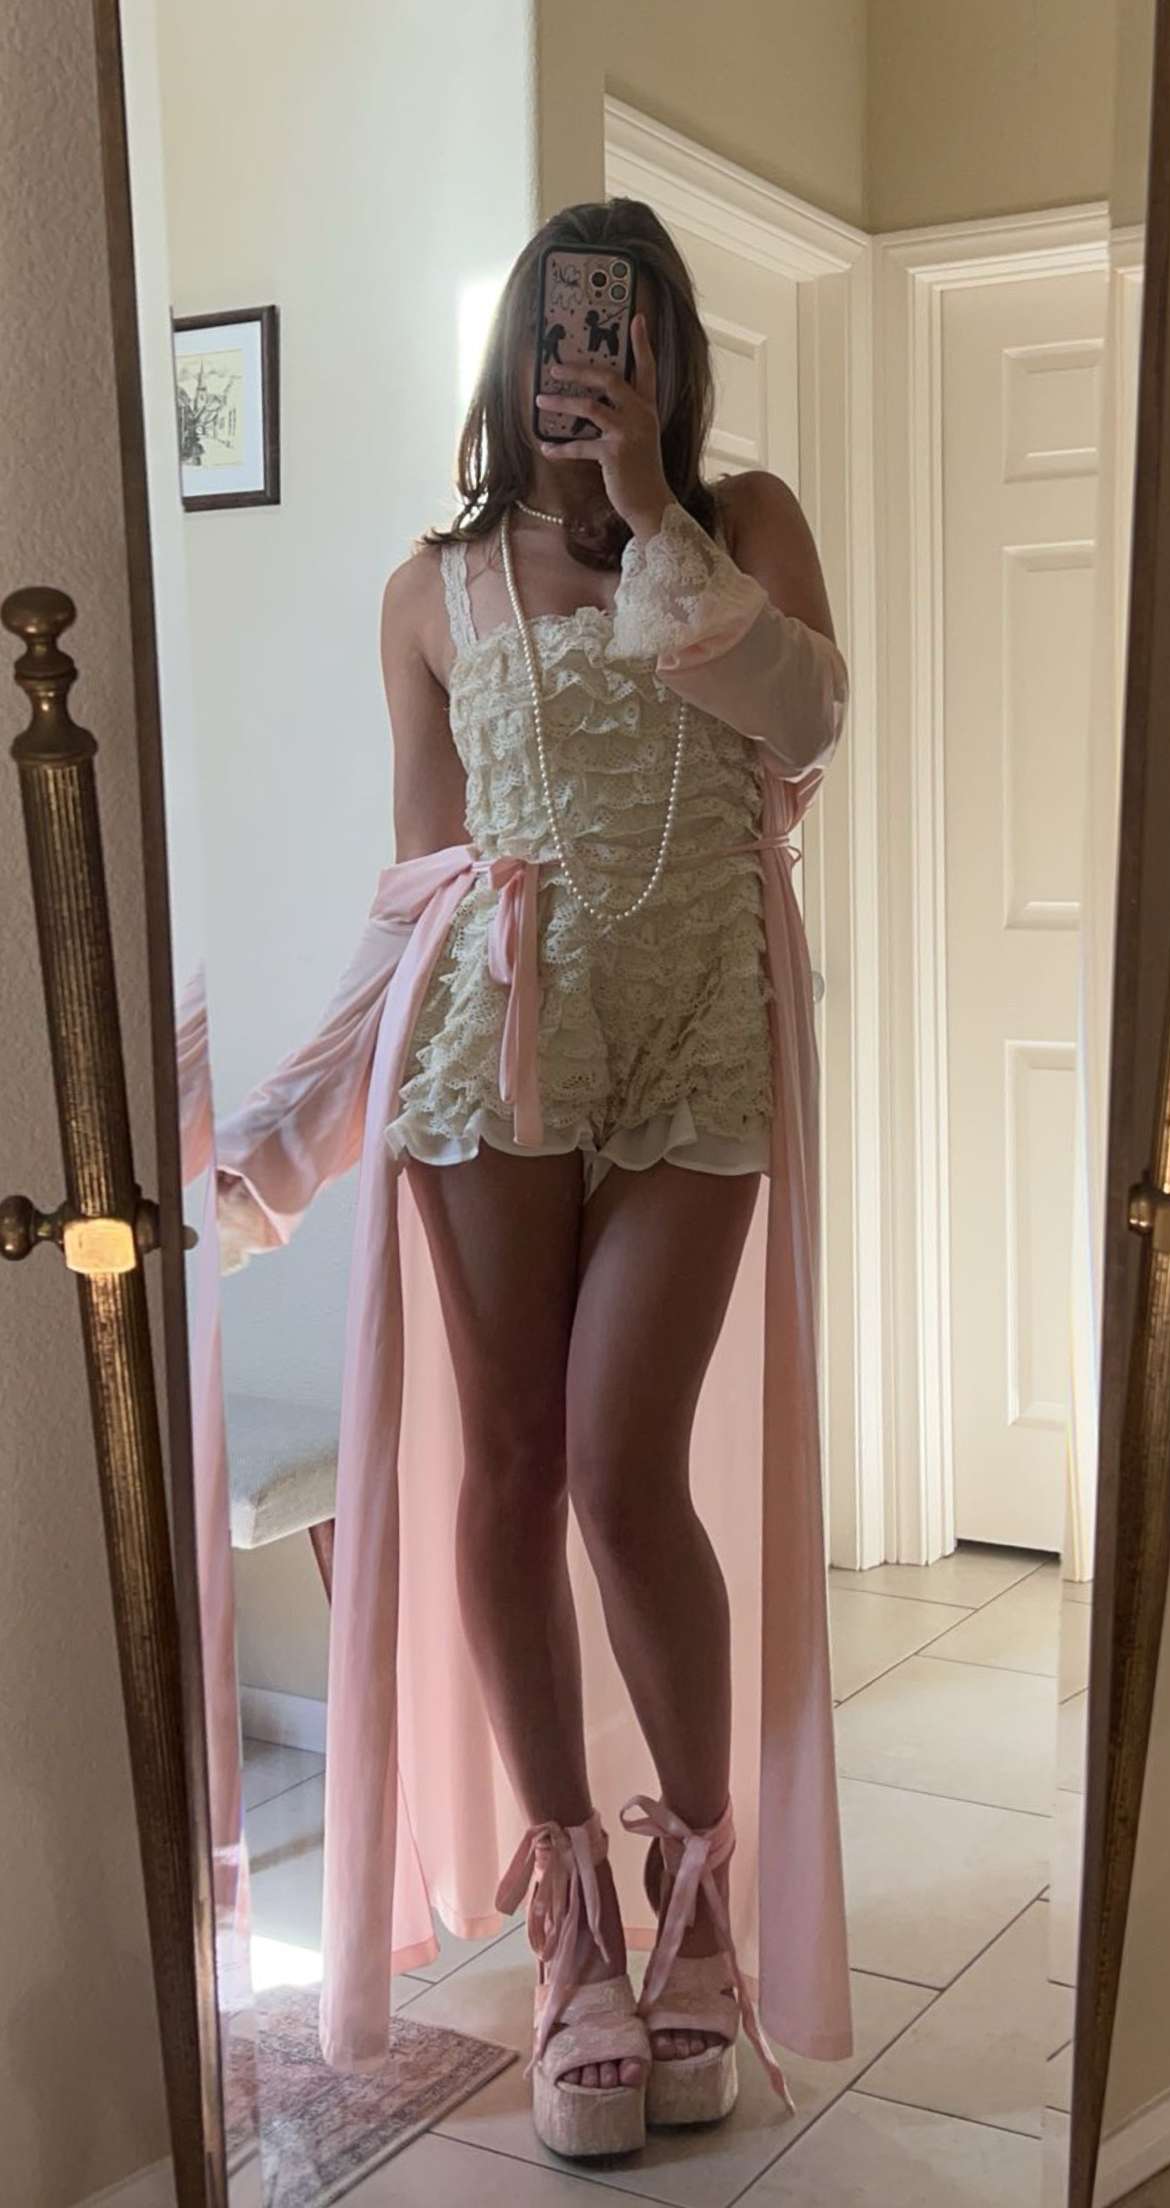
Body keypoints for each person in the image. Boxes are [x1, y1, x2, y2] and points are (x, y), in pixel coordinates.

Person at [217, 196, 851, 2161]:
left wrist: (651, 507)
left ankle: (696, 1891)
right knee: (506, 1461)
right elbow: (423, 881)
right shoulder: (430, 592)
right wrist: (290, 1122)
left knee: (619, 1460)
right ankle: (571, 1910)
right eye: (567, 325)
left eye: (626, 328)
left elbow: (806, 723)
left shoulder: (741, 527)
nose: (590, 355)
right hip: (496, 1044)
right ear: (514, 349)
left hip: (699, 1036)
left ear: (668, 356)